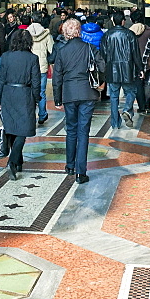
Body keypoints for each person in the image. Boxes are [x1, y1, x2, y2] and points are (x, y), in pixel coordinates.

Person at [53, 17, 105, 183]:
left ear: (66, 33)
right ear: (79, 32)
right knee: (83, 131)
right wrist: (101, 83)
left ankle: (69, 165)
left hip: (69, 93)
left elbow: (57, 77)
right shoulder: (90, 48)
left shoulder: (61, 51)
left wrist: (57, 98)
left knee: (71, 129)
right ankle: (81, 172)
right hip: (87, 93)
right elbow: (103, 67)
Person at [0, 29, 40, 180]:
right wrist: (36, 98)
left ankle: (18, 161)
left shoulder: (6, 57)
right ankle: (13, 161)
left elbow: (0, 79)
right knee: (23, 130)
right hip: (24, 94)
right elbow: (36, 82)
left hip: (8, 93)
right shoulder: (33, 58)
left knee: (12, 128)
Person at [99, 10, 143, 129]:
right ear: (123, 21)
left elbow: (102, 54)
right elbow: (136, 53)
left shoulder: (107, 35)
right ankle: (127, 110)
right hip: (127, 69)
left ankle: (115, 123)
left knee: (113, 97)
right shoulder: (130, 34)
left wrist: (103, 70)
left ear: (113, 21)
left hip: (111, 70)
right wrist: (140, 68)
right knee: (131, 91)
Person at [27, 13, 54, 124]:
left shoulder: (26, 34)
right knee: (41, 92)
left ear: (32, 20)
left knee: (30, 91)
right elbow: (52, 50)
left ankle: (30, 115)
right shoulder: (46, 34)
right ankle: (42, 114)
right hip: (42, 65)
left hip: (29, 65)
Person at [130, 12, 150, 113]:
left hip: (135, 61)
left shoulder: (129, 32)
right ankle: (148, 105)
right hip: (148, 60)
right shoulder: (149, 31)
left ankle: (141, 106)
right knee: (147, 83)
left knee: (138, 84)